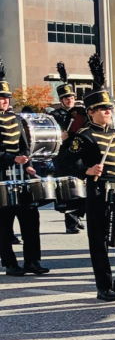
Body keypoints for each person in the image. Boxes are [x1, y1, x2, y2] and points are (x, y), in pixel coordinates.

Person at [61, 53, 115, 301]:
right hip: (98, 193)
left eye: (109, 108)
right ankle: (103, 286)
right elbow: (63, 163)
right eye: (103, 109)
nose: (108, 111)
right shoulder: (83, 136)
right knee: (99, 241)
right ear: (91, 112)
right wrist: (85, 171)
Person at [0, 58, 49, 277]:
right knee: (3, 224)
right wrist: (11, 159)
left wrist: (27, 163)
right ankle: (10, 263)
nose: (4, 101)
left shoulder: (17, 119)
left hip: (21, 178)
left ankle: (32, 261)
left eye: (6, 98)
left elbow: (25, 146)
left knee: (31, 219)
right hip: (1, 178)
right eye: (1, 98)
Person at [50, 62, 86, 234]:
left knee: (82, 188)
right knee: (68, 190)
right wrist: (59, 136)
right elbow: (49, 135)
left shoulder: (80, 113)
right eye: (66, 98)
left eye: (71, 97)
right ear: (61, 100)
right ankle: (71, 223)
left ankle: (78, 215)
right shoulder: (54, 115)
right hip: (64, 156)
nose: (69, 100)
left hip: (79, 155)